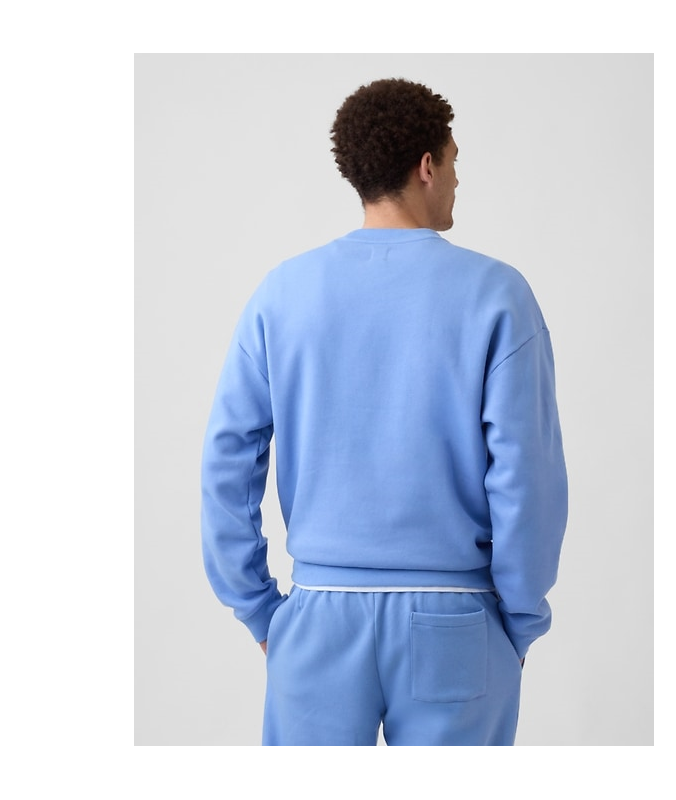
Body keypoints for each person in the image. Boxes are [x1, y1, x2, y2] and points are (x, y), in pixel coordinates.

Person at [201, 77, 568, 747]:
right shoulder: (498, 295)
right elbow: (527, 478)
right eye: (453, 161)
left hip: (318, 621)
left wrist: (257, 608)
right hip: (457, 621)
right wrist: (518, 619)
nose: (456, 180)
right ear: (427, 166)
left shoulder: (282, 294)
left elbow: (228, 461)